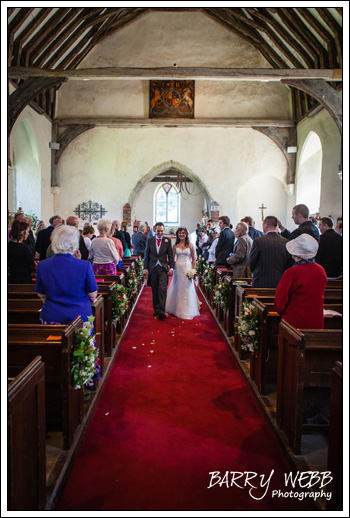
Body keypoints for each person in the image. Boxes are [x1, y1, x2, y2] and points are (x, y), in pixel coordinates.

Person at [35, 225, 98, 324]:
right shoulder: (84, 265)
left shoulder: (42, 265)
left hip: (52, 315)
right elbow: (92, 294)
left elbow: (41, 294)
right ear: (74, 244)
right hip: (79, 316)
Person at [275, 234, 327, 329]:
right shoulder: (321, 270)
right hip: (315, 320)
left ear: (295, 254)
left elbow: (280, 301)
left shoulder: (291, 273)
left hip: (294, 323)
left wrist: (280, 311)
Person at [165, 227, 201, 320]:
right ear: (178, 234)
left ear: (186, 234)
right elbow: (172, 258)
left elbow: (194, 259)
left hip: (187, 267)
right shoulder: (175, 245)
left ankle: (187, 309)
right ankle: (176, 308)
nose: (181, 235)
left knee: (186, 287)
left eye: (183, 233)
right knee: (178, 286)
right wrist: (171, 268)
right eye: (180, 233)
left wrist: (193, 270)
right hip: (178, 268)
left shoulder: (190, 245)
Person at [248, 216, 292, 288]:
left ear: (266, 225)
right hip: (279, 282)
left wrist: (257, 272)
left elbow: (251, 262)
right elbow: (288, 263)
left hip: (260, 282)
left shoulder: (258, 241)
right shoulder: (285, 242)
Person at [143, 222, 174, 320]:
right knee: (155, 289)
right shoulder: (150, 240)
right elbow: (146, 255)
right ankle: (156, 309)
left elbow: (171, 256)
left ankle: (161, 311)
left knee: (162, 288)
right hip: (153, 268)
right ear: (154, 230)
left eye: (161, 231)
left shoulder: (167, 241)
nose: (160, 233)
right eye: (158, 230)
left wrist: (171, 268)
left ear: (164, 230)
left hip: (163, 268)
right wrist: (145, 268)